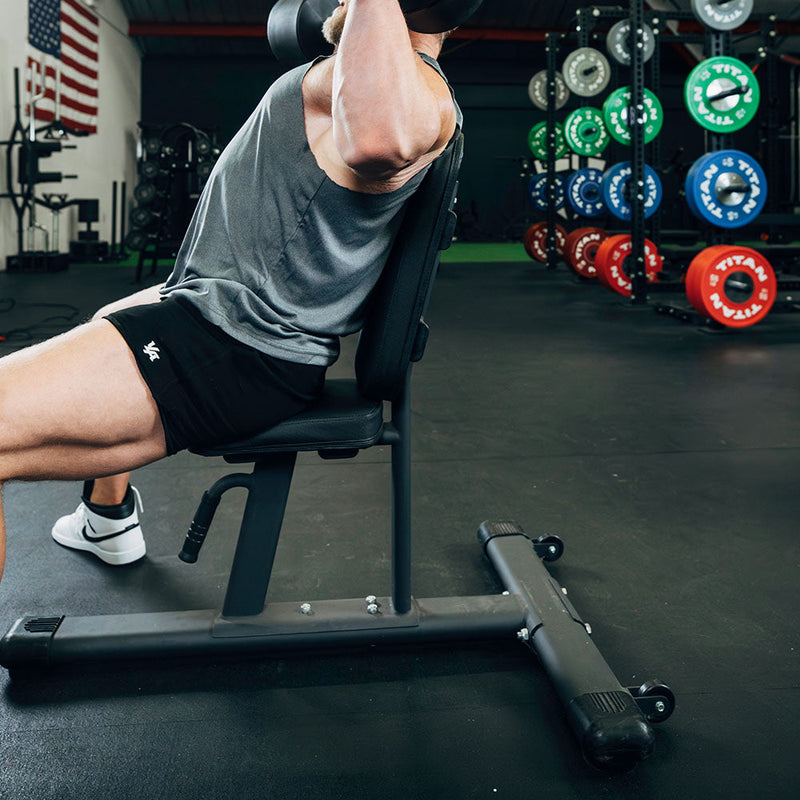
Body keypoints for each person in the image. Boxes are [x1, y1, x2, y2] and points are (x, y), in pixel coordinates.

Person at [0, 0, 461, 577]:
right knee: (114, 311)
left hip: (232, 345)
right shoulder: (365, 77)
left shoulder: (413, 91)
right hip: (219, 321)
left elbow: (381, 141)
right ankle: (106, 516)